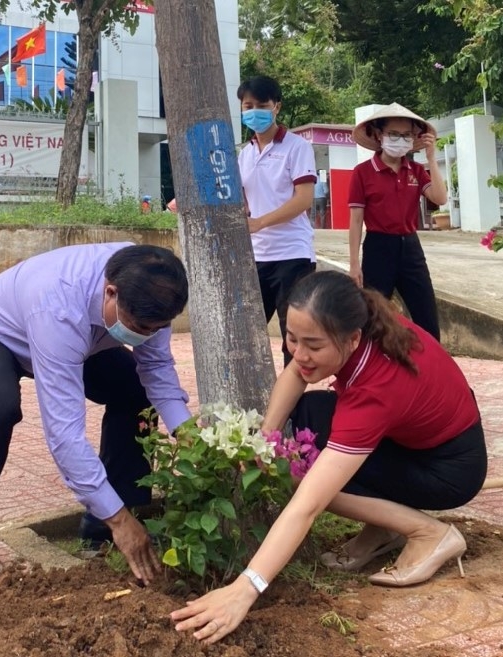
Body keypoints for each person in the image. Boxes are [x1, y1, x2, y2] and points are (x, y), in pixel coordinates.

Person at [171, 270, 487, 644]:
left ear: (351, 339)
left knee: (298, 475)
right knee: (306, 417)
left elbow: (308, 505)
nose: (300, 353)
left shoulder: (375, 389)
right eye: (291, 338)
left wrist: (246, 588)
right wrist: (265, 441)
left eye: (313, 345)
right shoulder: (360, 321)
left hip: (448, 469)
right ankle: (383, 527)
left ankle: (428, 533)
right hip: (411, 442)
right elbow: (296, 372)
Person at [0, 243, 191, 585]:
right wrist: (119, 520)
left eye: (155, 329)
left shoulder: (153, 285)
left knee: (136, 389)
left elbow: (158, 370)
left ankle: (103, 522)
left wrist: (189, 435)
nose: (145, 336)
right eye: (139, 327)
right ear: (111, 292)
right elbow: (65, 434)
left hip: (80, 341)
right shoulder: (58, 306)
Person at [347, 103, 447, 341]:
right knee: (372, 320)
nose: (400, 139)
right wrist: (353, 263)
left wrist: (431, 158)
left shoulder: (415, 170)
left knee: (427, 319)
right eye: (393, 134)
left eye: (407, 135)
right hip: (378, 248)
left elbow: (440, 197)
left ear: (414, 138)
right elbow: (355, 220)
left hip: (411, 248)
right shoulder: (363, 172)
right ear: (379, 135)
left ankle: (431, 373)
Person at [237, 75, 317, 367]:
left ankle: (292, 410)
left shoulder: (297, 147)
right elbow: (241, 201)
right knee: (247, 334)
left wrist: (260, 223)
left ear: (277, 107)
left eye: (262, 105)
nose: (254, 111)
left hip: (292, 254)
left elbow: (303, 199)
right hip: (257, 256)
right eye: (248, 105)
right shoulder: (243, 155)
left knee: (293, 338)